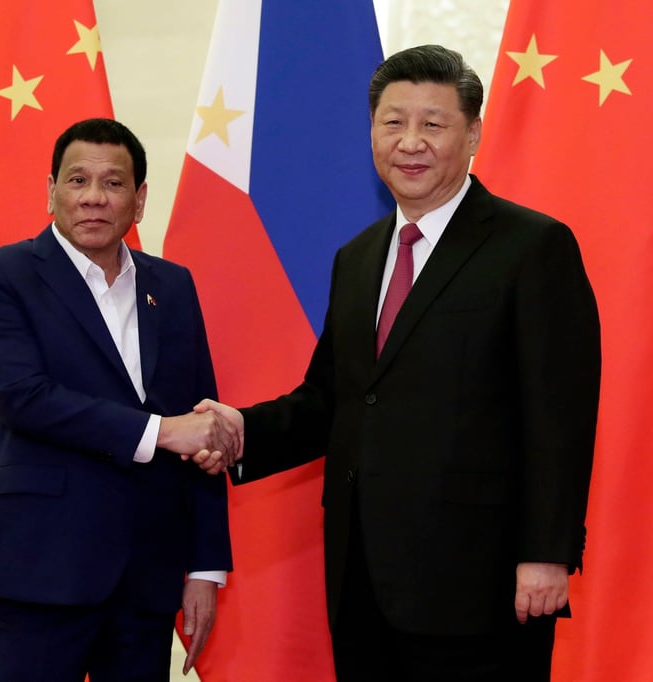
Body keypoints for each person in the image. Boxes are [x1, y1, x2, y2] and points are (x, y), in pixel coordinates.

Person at [191, 45, 601, 680]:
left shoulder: (533, 247)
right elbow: (336, 398)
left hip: (482, 580)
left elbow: (559, 416)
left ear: (473, 134)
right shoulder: (358, 257)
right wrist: (240, 430)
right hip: (361, 577)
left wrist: (546, 553)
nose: (410, 142)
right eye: (392, 122)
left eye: (433, 124)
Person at [0, 118, 237, 682]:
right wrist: (162, 431)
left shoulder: (173, 285)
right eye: (77, 180)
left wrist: (205, 567)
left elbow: (202, 423)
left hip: (148, 575)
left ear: (139, 200)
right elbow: (26, 398)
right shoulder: (1, 276)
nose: (93, 197)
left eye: (113, 183)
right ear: (51, 191)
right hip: (44, 568)